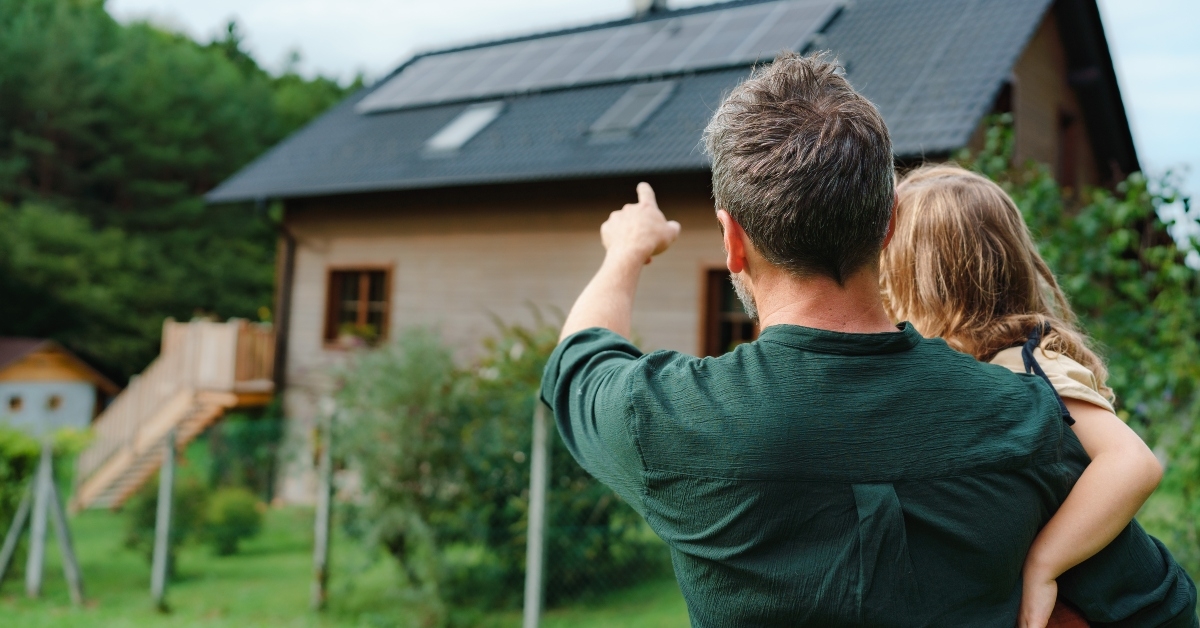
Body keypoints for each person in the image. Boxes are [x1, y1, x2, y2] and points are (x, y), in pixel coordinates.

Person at [540, 52, 1197, 626]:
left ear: (733, 241)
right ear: (886, 227)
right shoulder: (1023, 415)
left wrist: (627, 251)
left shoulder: (665, 418)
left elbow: (580, 357)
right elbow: (1163, 608)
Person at [879, 164, 1169, 627]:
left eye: (889, 273)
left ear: (926, 283)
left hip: (1131, 610)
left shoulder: (1029, 365)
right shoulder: (980, 366)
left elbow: (1133, 463)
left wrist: (1043, 565)